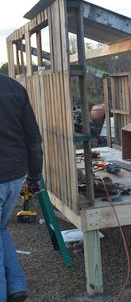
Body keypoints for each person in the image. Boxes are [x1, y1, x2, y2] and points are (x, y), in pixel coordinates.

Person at [0, 73, 43, 302]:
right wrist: (34, 176)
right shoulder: (15, 88)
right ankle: (16, 286)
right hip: (15, 176)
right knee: (1, 229)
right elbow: (33, 138)